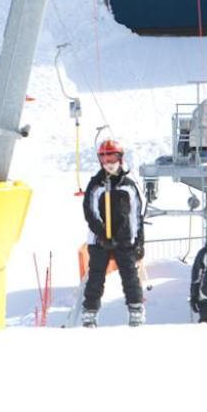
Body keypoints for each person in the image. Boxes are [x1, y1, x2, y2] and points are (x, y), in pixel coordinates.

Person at [79, 139, 146, 328]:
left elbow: (136, 216)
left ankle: (136, 311)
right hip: (100, 240)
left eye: (113, 157)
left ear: (120, 158)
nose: (109, 162)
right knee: (96, 277)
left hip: (124, 239)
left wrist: (139, 241)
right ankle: (90, 313)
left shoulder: (128, 186)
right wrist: (102, 234)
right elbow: (90, 213)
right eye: (105, 158)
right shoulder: (96, 185)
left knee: (130, 276)